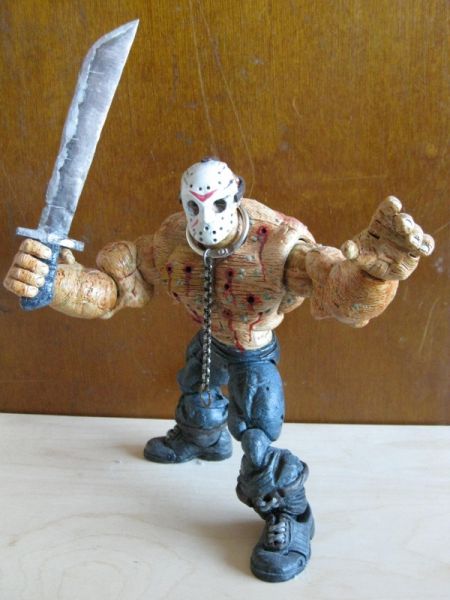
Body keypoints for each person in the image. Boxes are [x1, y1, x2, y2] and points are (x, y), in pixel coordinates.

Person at [3, 157, 434, 582]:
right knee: (197, 385)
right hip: (210, 337)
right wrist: (57, 284)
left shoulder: (277, 245)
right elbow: (116, 287)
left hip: (252, 350)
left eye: (218, 204)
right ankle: (202, 437)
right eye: (194, 206)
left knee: (257, 434)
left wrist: (374, 276)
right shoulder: (171, 241)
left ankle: (290, 512)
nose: (206, 218)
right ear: (183, 204)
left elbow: (338, 291)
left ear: (236, 195)